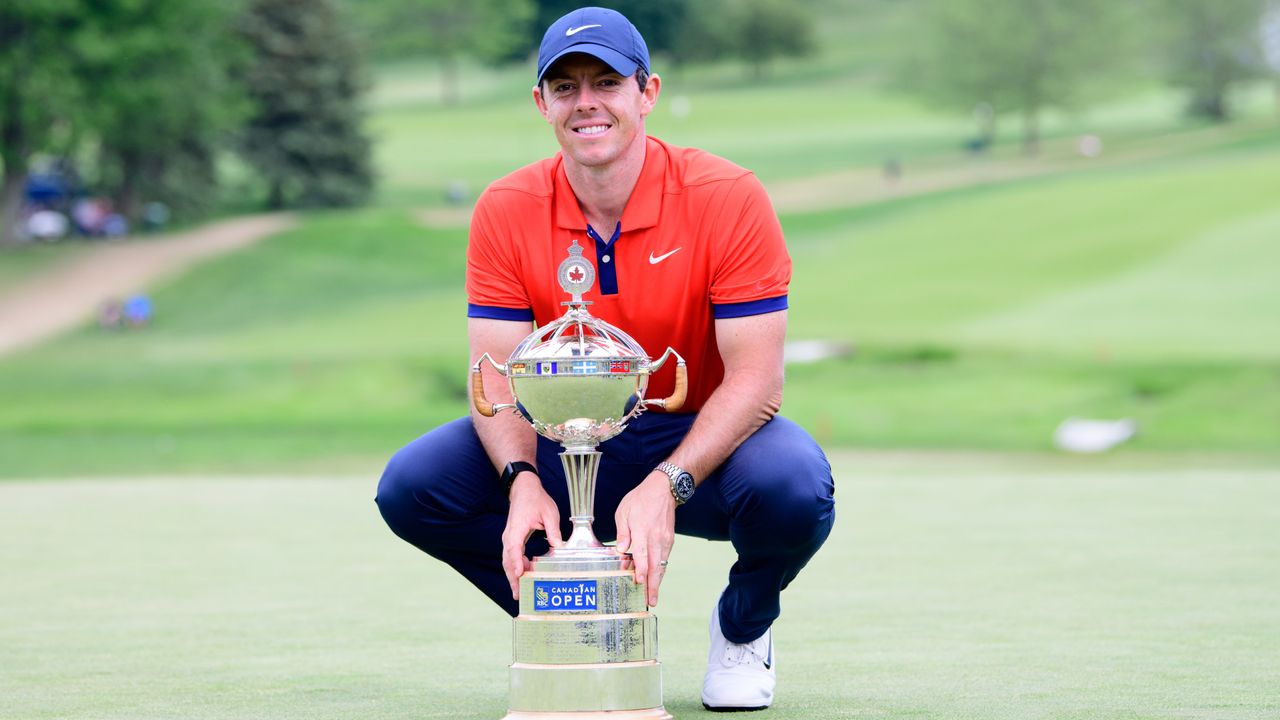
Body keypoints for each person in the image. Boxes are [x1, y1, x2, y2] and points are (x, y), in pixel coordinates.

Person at [376, 7, 835, 712]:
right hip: (566, 441)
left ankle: (743, 627)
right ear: (541, 103)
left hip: (698, 436)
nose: (585, 102)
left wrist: (667, 484)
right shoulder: (505, 207)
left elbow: (756, 379)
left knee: (794, 486)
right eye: (564, 87)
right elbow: (496, 378)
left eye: (606, 82)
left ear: (646, 92)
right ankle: (585, 624)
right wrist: (522, 477)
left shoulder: (726, 196)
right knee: (413, 487)